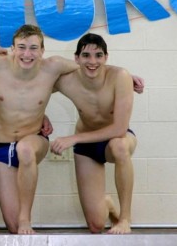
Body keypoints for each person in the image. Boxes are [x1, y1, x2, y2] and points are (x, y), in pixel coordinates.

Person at [0, 24, 80, 234]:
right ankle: (18, 223)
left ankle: (26, 219)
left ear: (42, 50)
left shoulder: (54, 66)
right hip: (1, 146)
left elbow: (92, 69)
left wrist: (123, 77)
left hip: (33, 141)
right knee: (13, 227)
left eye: (33, 48)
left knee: (24, 149)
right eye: (21, 47)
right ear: (12, 48)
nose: (27, 54)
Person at [50, 33, 138, 234]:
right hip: (88, 147)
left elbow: (119, 129)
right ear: (76, 58)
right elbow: (34, 84)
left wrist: (72, 139)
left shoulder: (120, 76)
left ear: (106, 58)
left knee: (119, 145)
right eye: (86, 55)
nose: (92, 61)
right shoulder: (66, 81)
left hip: (115, 138)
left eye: (98, 55)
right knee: (96, 225)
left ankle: (125, 218)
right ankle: (106, 203)